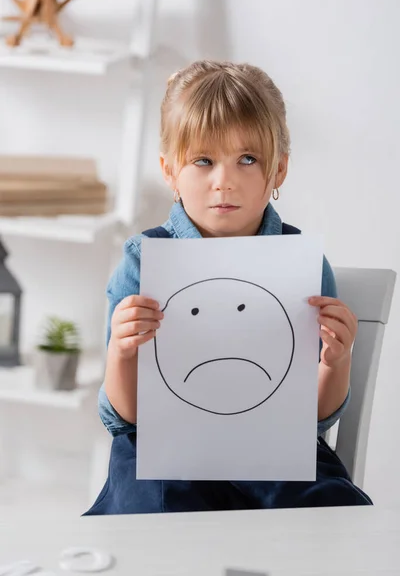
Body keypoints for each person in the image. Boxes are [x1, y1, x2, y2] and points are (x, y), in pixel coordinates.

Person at [84, 60, 372, 515]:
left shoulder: (302, 265)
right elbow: (126, 418)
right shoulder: (144, 261)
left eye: (248, 159)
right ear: (170, 170)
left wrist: (336, 361)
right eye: (203, 161)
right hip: (164, 452)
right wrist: (121, 352)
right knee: (157, 510)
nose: (225, 181)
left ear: (278, 171)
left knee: (328, 507)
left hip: (275, 449)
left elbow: (313, 422)